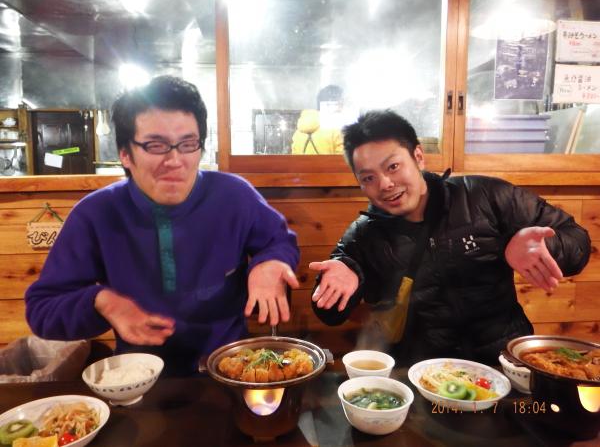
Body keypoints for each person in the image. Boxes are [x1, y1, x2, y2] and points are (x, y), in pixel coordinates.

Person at [25, 75, 300, 376]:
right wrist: (101, 302)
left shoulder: (234, 195)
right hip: (138, 378)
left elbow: (277, 241)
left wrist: (270, 262)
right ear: (125, 154)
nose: (175, 160)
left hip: (230, 370)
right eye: (156, 145)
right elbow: (42, 310)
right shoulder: (96, 214)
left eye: (188, 144)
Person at [310, 110, 591, 366]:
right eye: (368, 178)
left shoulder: (485, 196)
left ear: (418, 156)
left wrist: (542, 246)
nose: (384, 184)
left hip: (502, 362)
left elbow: (577, 241)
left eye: (393, 166)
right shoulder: (363, 235)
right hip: (422, 372)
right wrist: (344, 275)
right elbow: (330, 315)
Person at [291, 85, 344, 155]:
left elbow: (294, 158)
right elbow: (341, 160)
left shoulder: (298, 133)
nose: (342, 108)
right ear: (330, 104)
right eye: (341, 103)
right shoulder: (336, 131)